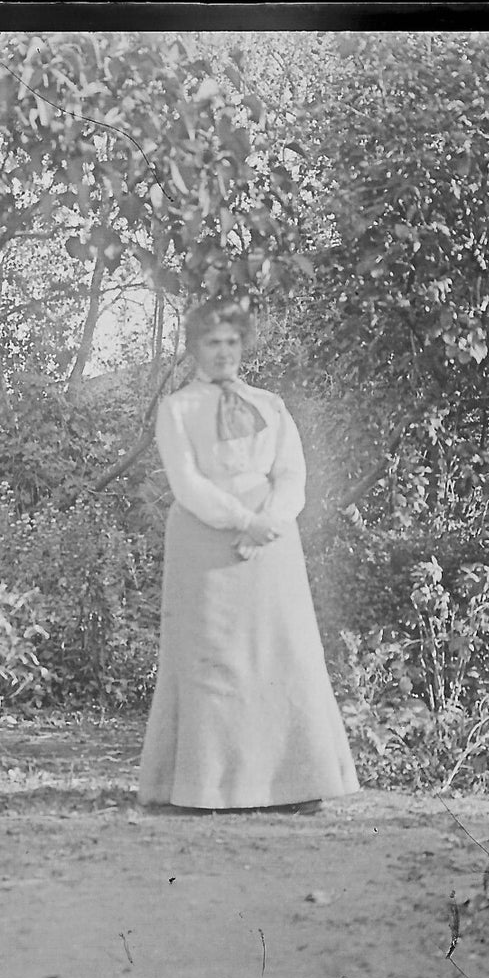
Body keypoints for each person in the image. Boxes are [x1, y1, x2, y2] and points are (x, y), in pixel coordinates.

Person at [137, 298, 358, 813]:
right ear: (194, 349)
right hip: (206, 540)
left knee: (281, 652)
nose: (223, 353)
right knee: (212, 658)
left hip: (272, 542)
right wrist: (243, 521)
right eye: (213, 343)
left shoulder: (271, 405)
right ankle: (206, 788)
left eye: (232, 342)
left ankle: (294, 785)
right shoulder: (177, 409)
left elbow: (292, 474)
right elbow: (186, 483)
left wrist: (272, 521)